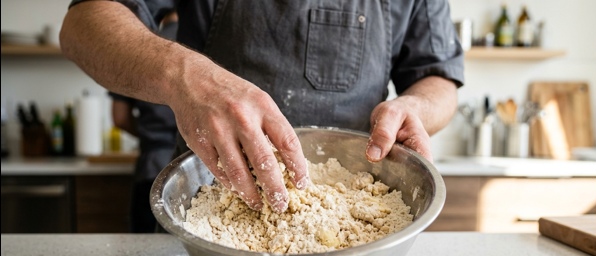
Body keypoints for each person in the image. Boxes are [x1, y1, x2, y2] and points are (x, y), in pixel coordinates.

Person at [60, 0, 464, 215]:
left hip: (352, 214)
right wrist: (187, 75)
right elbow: (82, 25)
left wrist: (416, 105)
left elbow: (439, 78)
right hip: (213, 206)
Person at [109, 11, 178, 233]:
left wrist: (149, 134)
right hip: (196, 174)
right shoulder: (207, 46)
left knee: (145, 250)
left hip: (152, 167)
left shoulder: (138, 51)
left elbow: (119, 117)